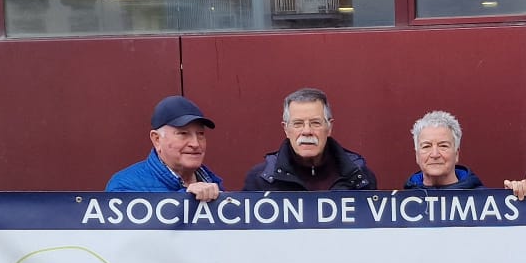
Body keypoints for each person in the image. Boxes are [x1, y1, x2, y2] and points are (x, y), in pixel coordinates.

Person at [243, 87, 378, 191]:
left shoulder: (360, 178)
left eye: (315, 123)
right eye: (298, 124)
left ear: (329, 127)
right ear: (286, 129)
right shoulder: (260, 180)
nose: (307, 131)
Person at [107, 96, 222, 198]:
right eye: (183, 134)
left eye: (200, 134)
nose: (195, 144)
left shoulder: (214, 184)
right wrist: (185, 199)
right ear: (157, 139)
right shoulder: (125, 186)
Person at [403, 111, 484, 190]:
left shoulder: (484, 201)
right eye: (426, 146)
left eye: (443, 146)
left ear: (456, 154)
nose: (435, 154)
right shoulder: (401, 201)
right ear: (417, 155)